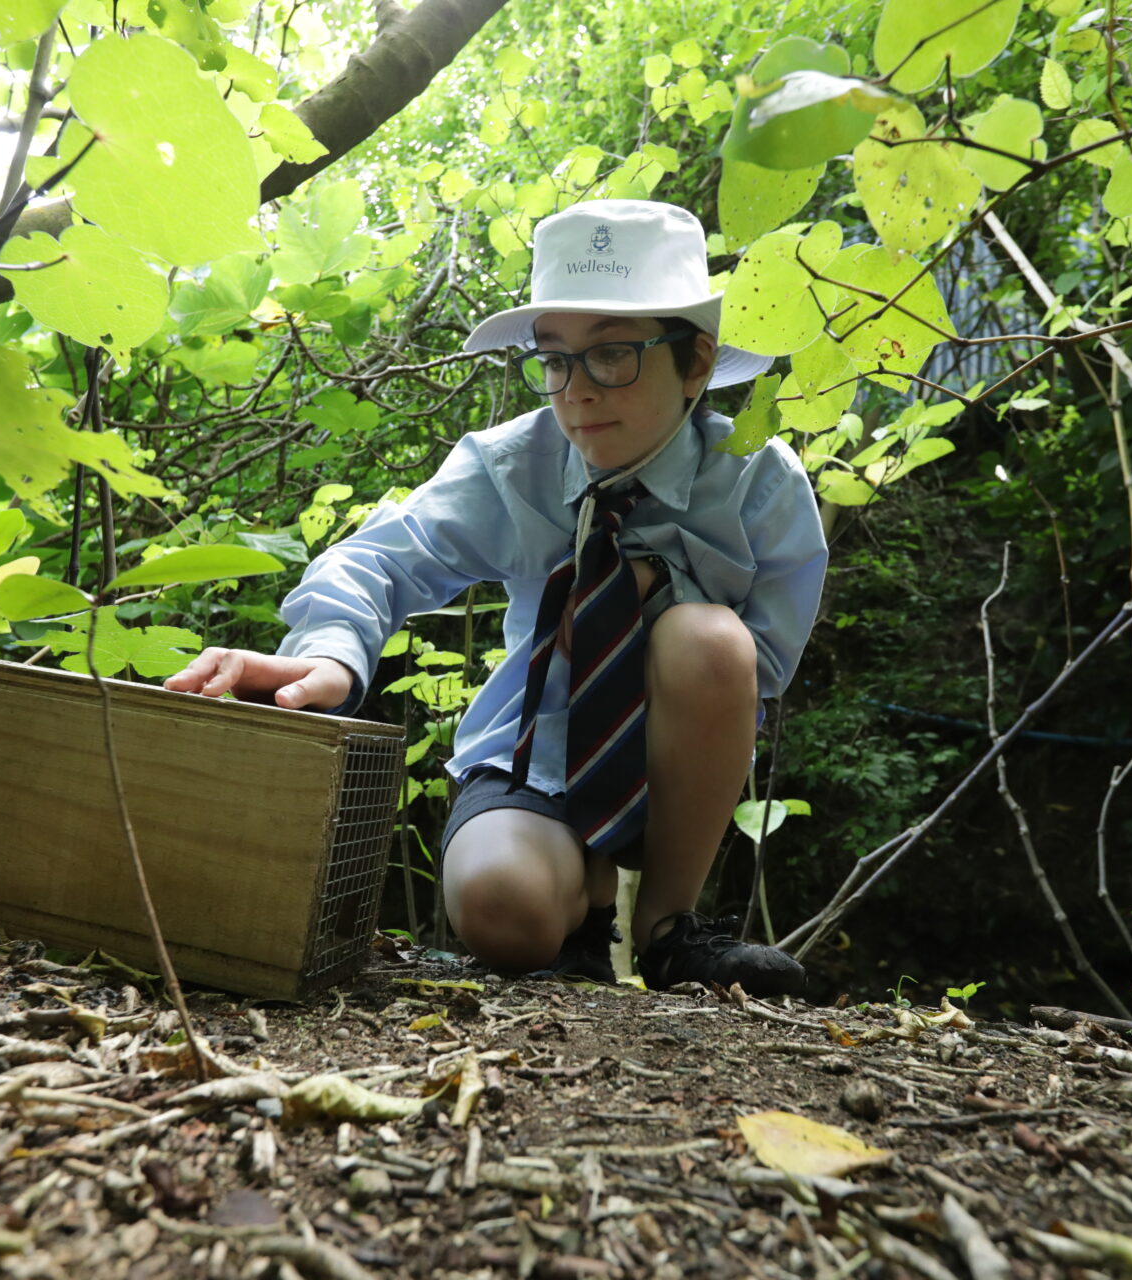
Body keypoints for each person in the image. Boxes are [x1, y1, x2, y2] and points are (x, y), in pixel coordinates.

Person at [165, 199, 827, 996]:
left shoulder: (758, 482)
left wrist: (656, 600)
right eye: (555, 359)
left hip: (677, 777)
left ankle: (666, 928)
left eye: (613, 354)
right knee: (500, 909)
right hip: (531, 760)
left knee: (710, 639)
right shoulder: (514, 465)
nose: (577, 391)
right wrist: (332, 657)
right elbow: (378, 559)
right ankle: (577, 902)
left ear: (696, 363)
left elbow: (768, 666)